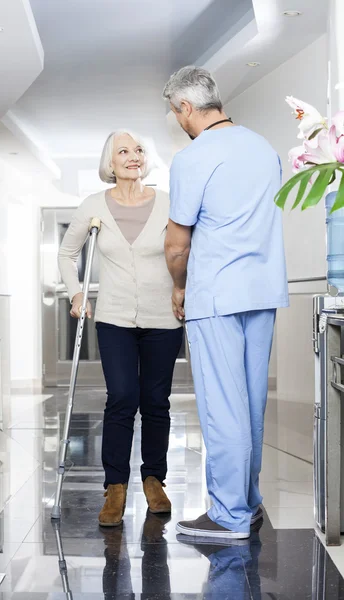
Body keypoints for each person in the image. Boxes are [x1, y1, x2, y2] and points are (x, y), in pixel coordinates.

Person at [163, 66, 288, 540]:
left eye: (176, 113)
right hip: (263, 289)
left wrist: (179, 285)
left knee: (223, 407)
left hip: (215, 293)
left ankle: (229, 515)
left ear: (186, 108)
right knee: (251, 403)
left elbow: (178, 243)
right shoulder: (263, 147)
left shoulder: (194, 157)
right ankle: (249, 503)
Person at [58, 130, 183, 527]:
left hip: (163, 317)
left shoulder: (167, 203)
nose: (133, 157)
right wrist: (77, 293)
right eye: (123, 151)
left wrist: (184, 287)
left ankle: (153, 480)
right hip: (114, 318)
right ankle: (115, 486)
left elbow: (187, 248)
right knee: (122, 397)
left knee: (156, 400)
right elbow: (67, 252)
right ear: (110, 163)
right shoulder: (94, 205)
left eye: (139, 150)